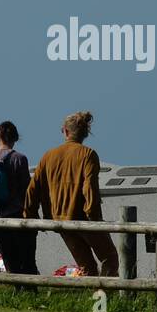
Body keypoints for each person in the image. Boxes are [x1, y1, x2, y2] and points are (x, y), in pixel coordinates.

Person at [24, 111, 118, 277]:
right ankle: (104, 297)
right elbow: (90, 189)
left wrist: (31, 216)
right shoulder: (88, 155)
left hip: (60, 221)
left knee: (86, 265)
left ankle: (93, 298)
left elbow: (33, 188)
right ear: (85, 133)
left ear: (66, 131)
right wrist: (94, 218)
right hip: (84, 219)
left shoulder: (48, 156)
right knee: (110, 258)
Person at [0, 121, 35, 274]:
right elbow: (26, 188)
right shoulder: (19, 158)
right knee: (25, 256)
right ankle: (27, 289)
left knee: (8, 256)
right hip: (16, 214)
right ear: (16, 138)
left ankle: (15, 286)